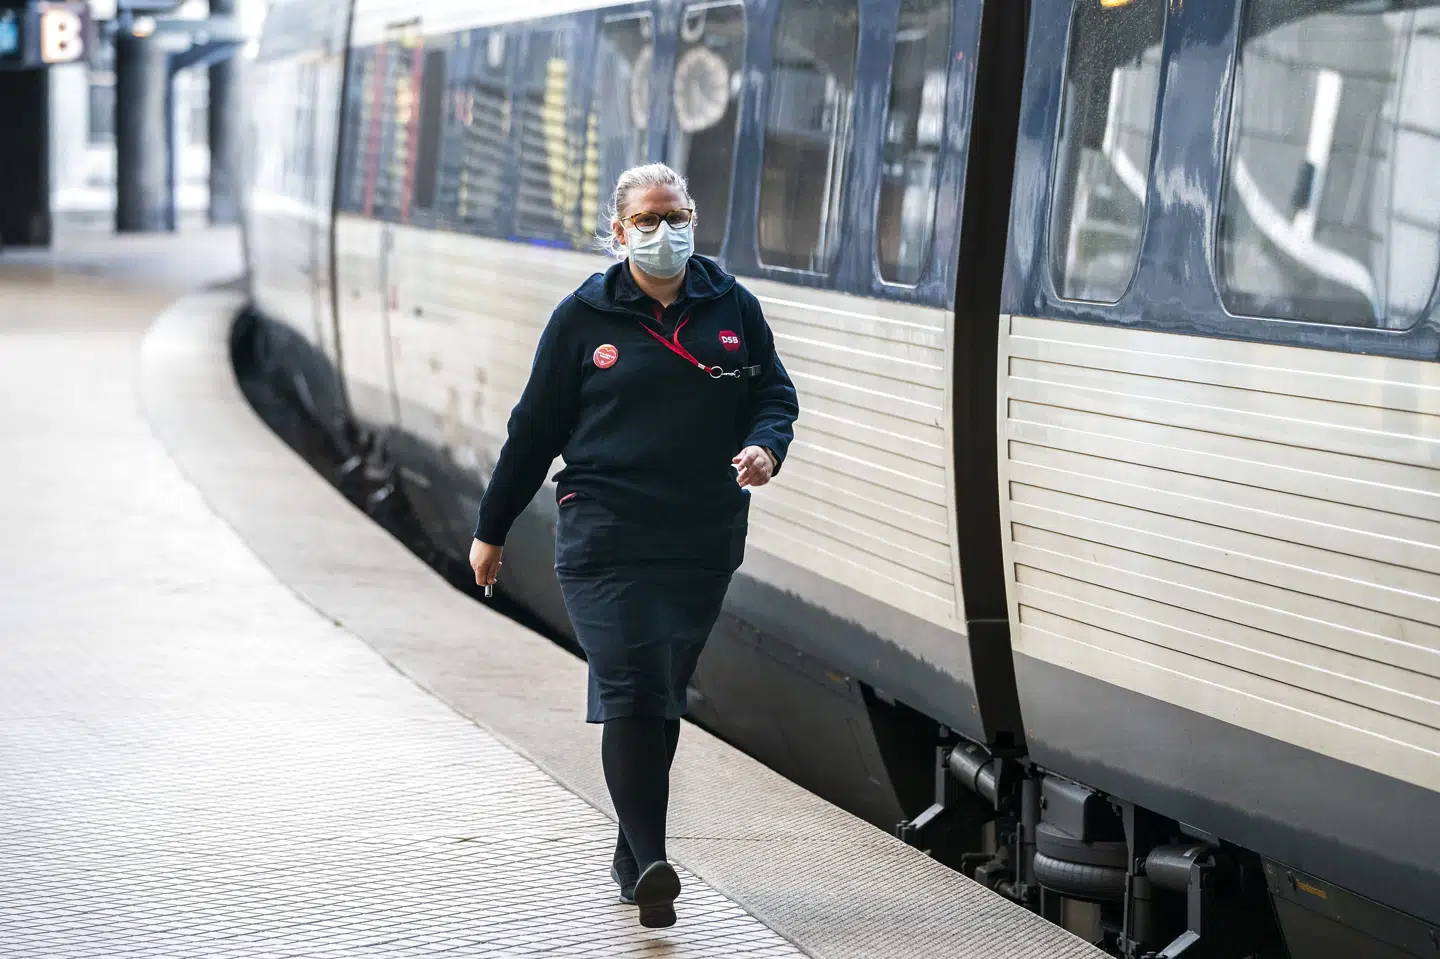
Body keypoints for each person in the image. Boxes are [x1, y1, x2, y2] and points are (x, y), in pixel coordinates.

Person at [468, 163, 799, 929]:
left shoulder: (731, 306)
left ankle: (630, 850)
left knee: (661, 690)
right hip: (604, 534)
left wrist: (765, 446)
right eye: (647, 220)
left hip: (701, 533)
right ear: (619, 233)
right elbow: (534, 433)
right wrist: (492, 528)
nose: (665, 231)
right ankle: (652, 862)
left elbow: (772, 394)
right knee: (632, 686)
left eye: (676, 214)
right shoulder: (582, 318)